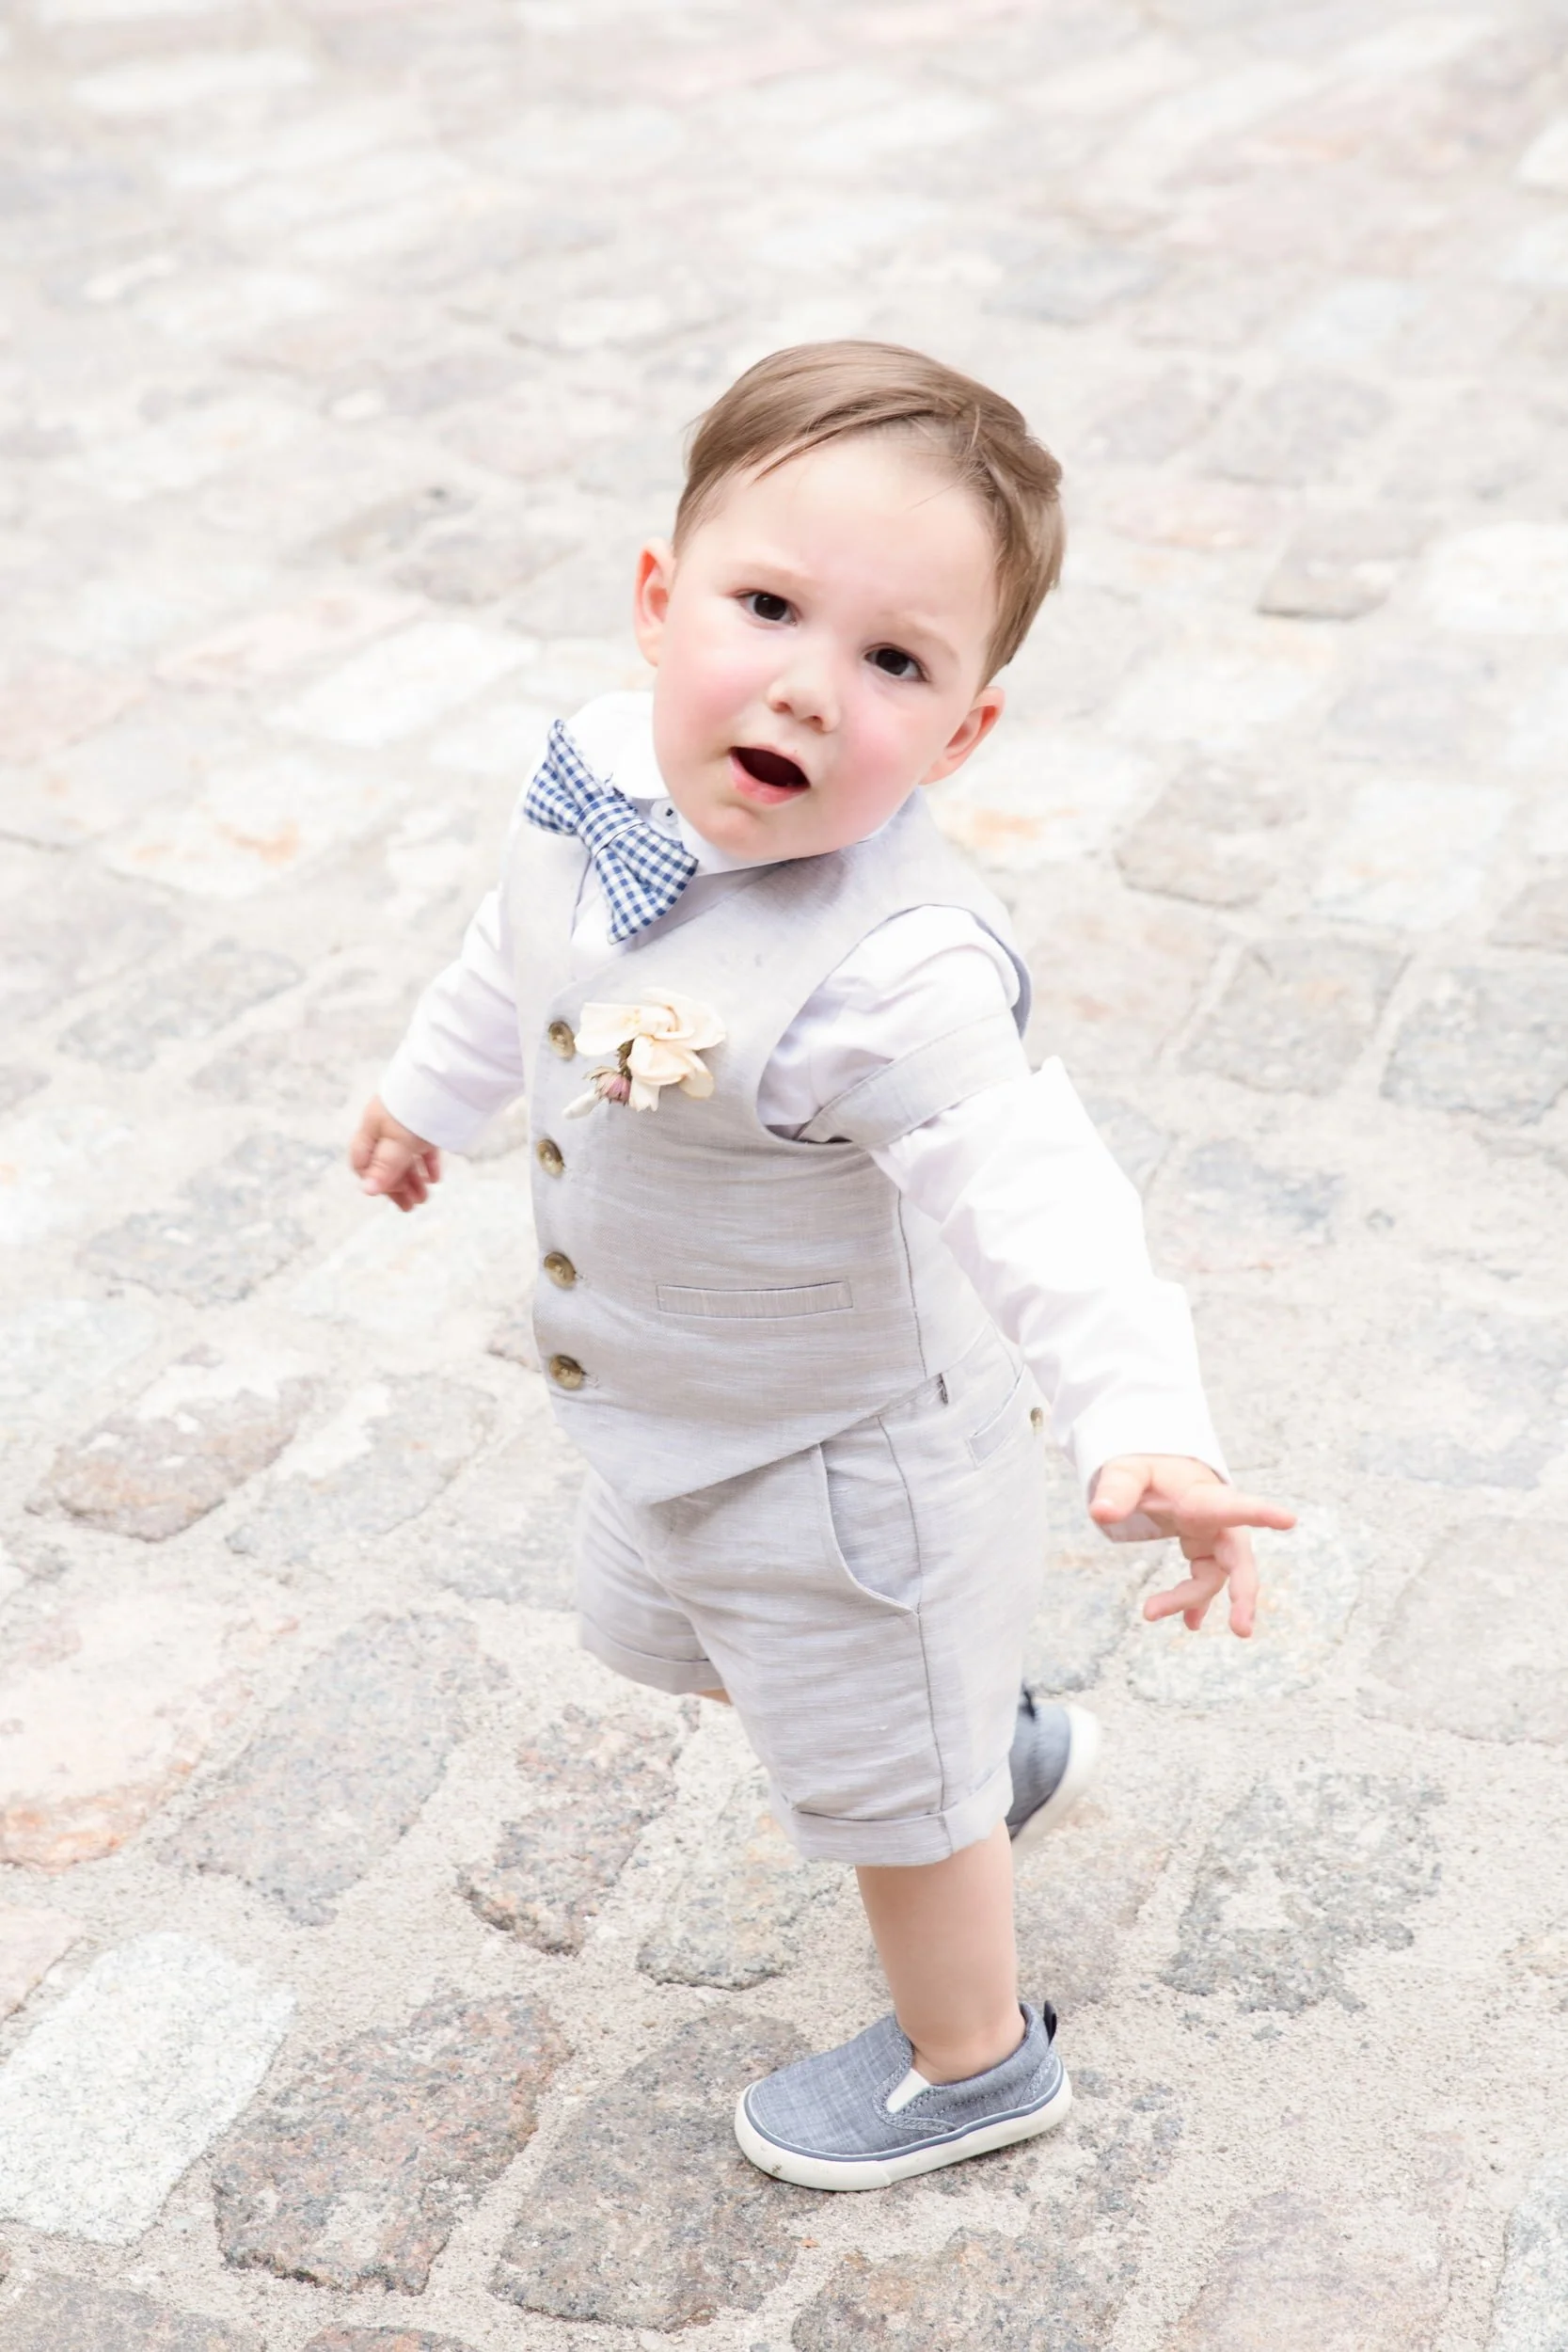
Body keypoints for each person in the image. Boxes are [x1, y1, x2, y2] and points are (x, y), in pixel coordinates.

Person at [349, 341, 1294, 2193]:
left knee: (880, 1794)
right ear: (654, 598)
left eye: (891, 660)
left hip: (849, 1466)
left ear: (959, 732)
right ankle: (976, 1734)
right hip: (675, 1422)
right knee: (670, 1637)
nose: (804, 681)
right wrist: (422, 1094)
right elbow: (512, 955)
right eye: (766, 604)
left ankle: (972, 2057)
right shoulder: (593, 781)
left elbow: (1043, 1195)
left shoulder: (898, 972)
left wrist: (1143, 1422)